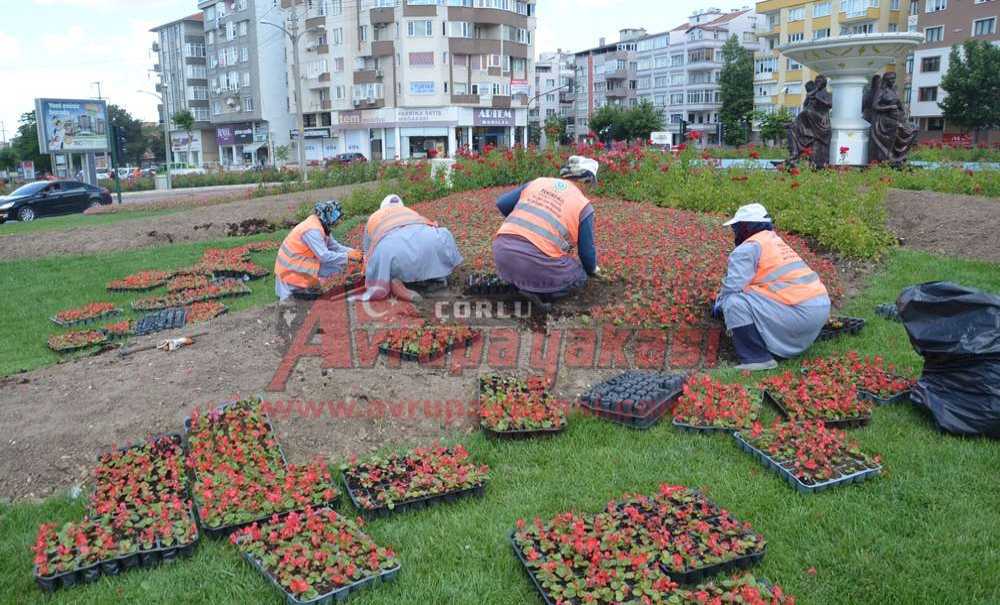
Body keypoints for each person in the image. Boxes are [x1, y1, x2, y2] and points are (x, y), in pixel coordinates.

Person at [712, 203, 830, 371]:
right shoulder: (775, 242)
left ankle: (757, 358)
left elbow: (733, 286)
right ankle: (784, 348)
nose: (735, 232)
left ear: (745, 227)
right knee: (745, 295)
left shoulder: (748, 248)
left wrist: (719, 305)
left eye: (736, 227)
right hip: (819, 310)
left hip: (799, 314)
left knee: (733, 302)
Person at [492, 156, 600, 302]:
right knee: (579, 276)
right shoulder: (584, 206)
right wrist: (592, 270)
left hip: (502, 251)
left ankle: (516, 284)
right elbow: (586, 253)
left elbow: (502, 203)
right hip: (536, 262)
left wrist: (523, 224)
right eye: (590, 184)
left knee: (523, 266)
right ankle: (539, 294)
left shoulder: (538, 182)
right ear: (586, 181)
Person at [354, 194, 463, 302]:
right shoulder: (410, 211)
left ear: (382, 207)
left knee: (379, 255)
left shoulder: (374, 217)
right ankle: (439, 278)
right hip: (431, 244)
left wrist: (367, 272)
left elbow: (368, 253)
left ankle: (396, 285)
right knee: (442, 235)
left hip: (394, 250)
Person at [274, 200, 361, 301]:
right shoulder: (313, 231)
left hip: (298, 265)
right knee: (292, 303)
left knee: (337, 267)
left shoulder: (320, 225)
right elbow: (324, 256)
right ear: (329, 217)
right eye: (337, 219)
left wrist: (354, 252)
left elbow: (335, 247)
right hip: (291, 270)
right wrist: (347, 256)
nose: (339, 222)